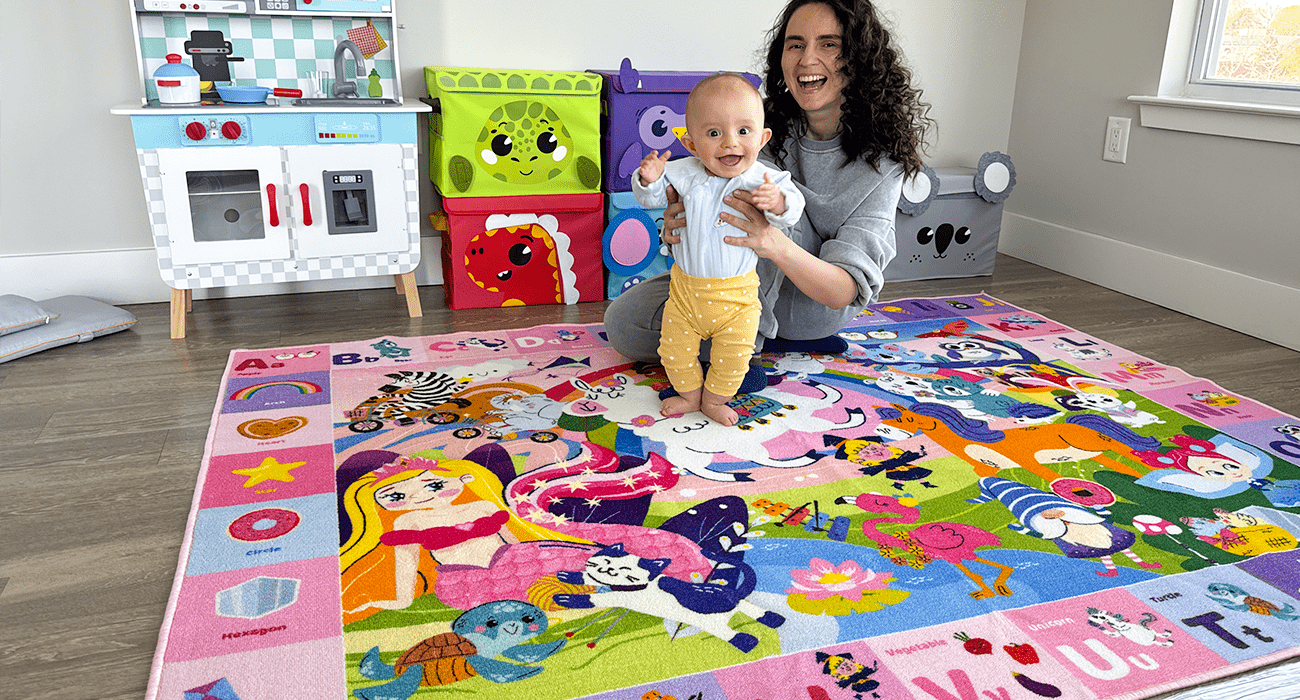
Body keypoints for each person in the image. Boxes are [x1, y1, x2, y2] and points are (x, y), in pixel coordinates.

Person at [604, 0, 933, 386]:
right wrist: (679, 221)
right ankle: (762, 339)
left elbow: (843, 289)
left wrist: (772, 242)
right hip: (727, 281)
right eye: (795, 45)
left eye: (829, 44)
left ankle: (747, 352)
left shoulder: (881, 164)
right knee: (623, 323)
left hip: (811, 301)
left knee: (753, 199)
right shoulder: (758, 123)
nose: (807, 59)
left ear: (859, 56)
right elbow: (698, 186)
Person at [632, 73, 805, 425]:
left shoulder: (762, 178)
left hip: (737, 299)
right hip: (684, 294)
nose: (730, 143)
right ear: (692, 143)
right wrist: (648, 180)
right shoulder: (683, 173)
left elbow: (792, 208)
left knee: (735, 356)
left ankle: (714, 400)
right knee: (673, 351)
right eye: (714, 133)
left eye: (744, 131)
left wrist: (778, 201)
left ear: (762, 137)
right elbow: (651, 199)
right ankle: (690, 395)